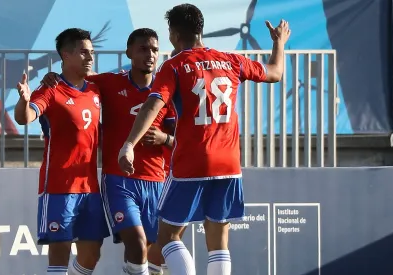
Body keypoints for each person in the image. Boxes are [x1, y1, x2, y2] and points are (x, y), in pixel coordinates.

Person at [118, 4, 291, 275]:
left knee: (168, 236)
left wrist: (129, 144)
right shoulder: (231, 60)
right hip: (229, 163)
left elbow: (154, 104)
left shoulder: (175, 65)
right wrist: (279, 42)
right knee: (219, 242)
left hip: (193, 161)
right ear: (201, 29)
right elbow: (275, 73)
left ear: (174, 34)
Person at [40, 28, 176, 275]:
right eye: (143, 49)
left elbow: (184, 141)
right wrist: (51, 77)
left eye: (155, 49)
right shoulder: (109, 83)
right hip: (119, 180)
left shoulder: (166, 91)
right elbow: (72, 80)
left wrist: (165, 138)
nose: (150, 54)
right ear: (129, 53)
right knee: (135, 243)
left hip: (157, 180)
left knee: (148, 252)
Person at [14, 28, 110, 275]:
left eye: (92, 52)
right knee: (59, 256)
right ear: (65, 55)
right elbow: (25, 117)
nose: (90, 57)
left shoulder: (96, 88)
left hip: (89, 187)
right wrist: (24, 100)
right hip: (59, 186)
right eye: (83, 52)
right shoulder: (51, 89)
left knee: (92, 253)